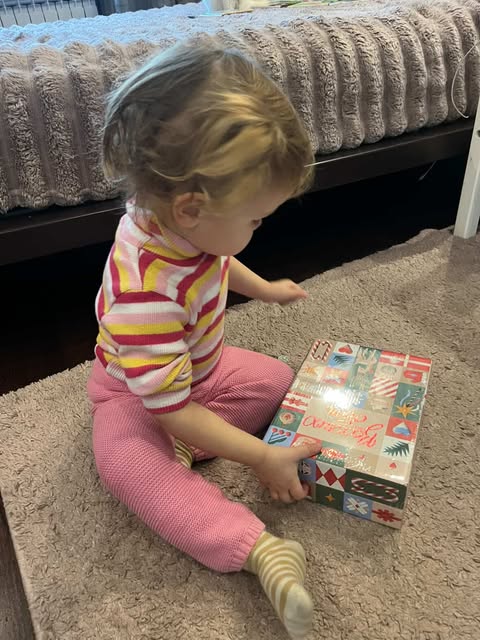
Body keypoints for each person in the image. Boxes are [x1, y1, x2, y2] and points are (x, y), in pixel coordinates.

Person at [87, 42, 321, 639]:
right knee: (126, 465)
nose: (258, 227)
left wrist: (263, 288)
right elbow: (170, 407)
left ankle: (187, 449)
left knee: (275, 380)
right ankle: (260, 550)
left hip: (197, 374)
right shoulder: (143, 298)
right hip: (138, 397)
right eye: (255, 220)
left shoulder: (183, 226)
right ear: (191, 209)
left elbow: (216, 262)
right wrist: (260, 457)